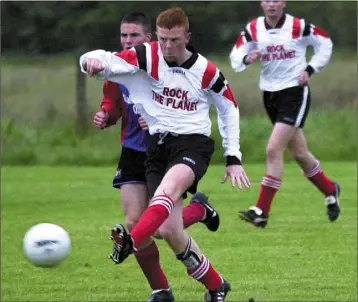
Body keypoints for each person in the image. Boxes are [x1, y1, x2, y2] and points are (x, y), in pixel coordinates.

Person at [81, 7, 251, 301]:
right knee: (170, 231)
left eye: (174, 40)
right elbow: (106, 60)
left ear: (187, 36)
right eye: (163, 40)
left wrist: (232, 156)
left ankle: (133, 244)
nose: (168, 47)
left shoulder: (207, 71)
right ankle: (216, 285)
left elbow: (228, 107)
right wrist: (90, 62)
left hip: (192, 145)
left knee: (167, 191)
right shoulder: (148, 56)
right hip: (158, 147)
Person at [229, 0, 340, 228]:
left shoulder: (298, 26)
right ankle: (330, 189)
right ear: (261, 4)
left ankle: (261, 211)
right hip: (270, 94)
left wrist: (310, 69)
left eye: (276, 0)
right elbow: (237, 54)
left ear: (284, 3)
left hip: (295, 92)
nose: (271, 4)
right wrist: (245, 59)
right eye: (267, 0)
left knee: (273, 148)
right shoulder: (253, 28)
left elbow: (325, 43)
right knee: (299, 153)